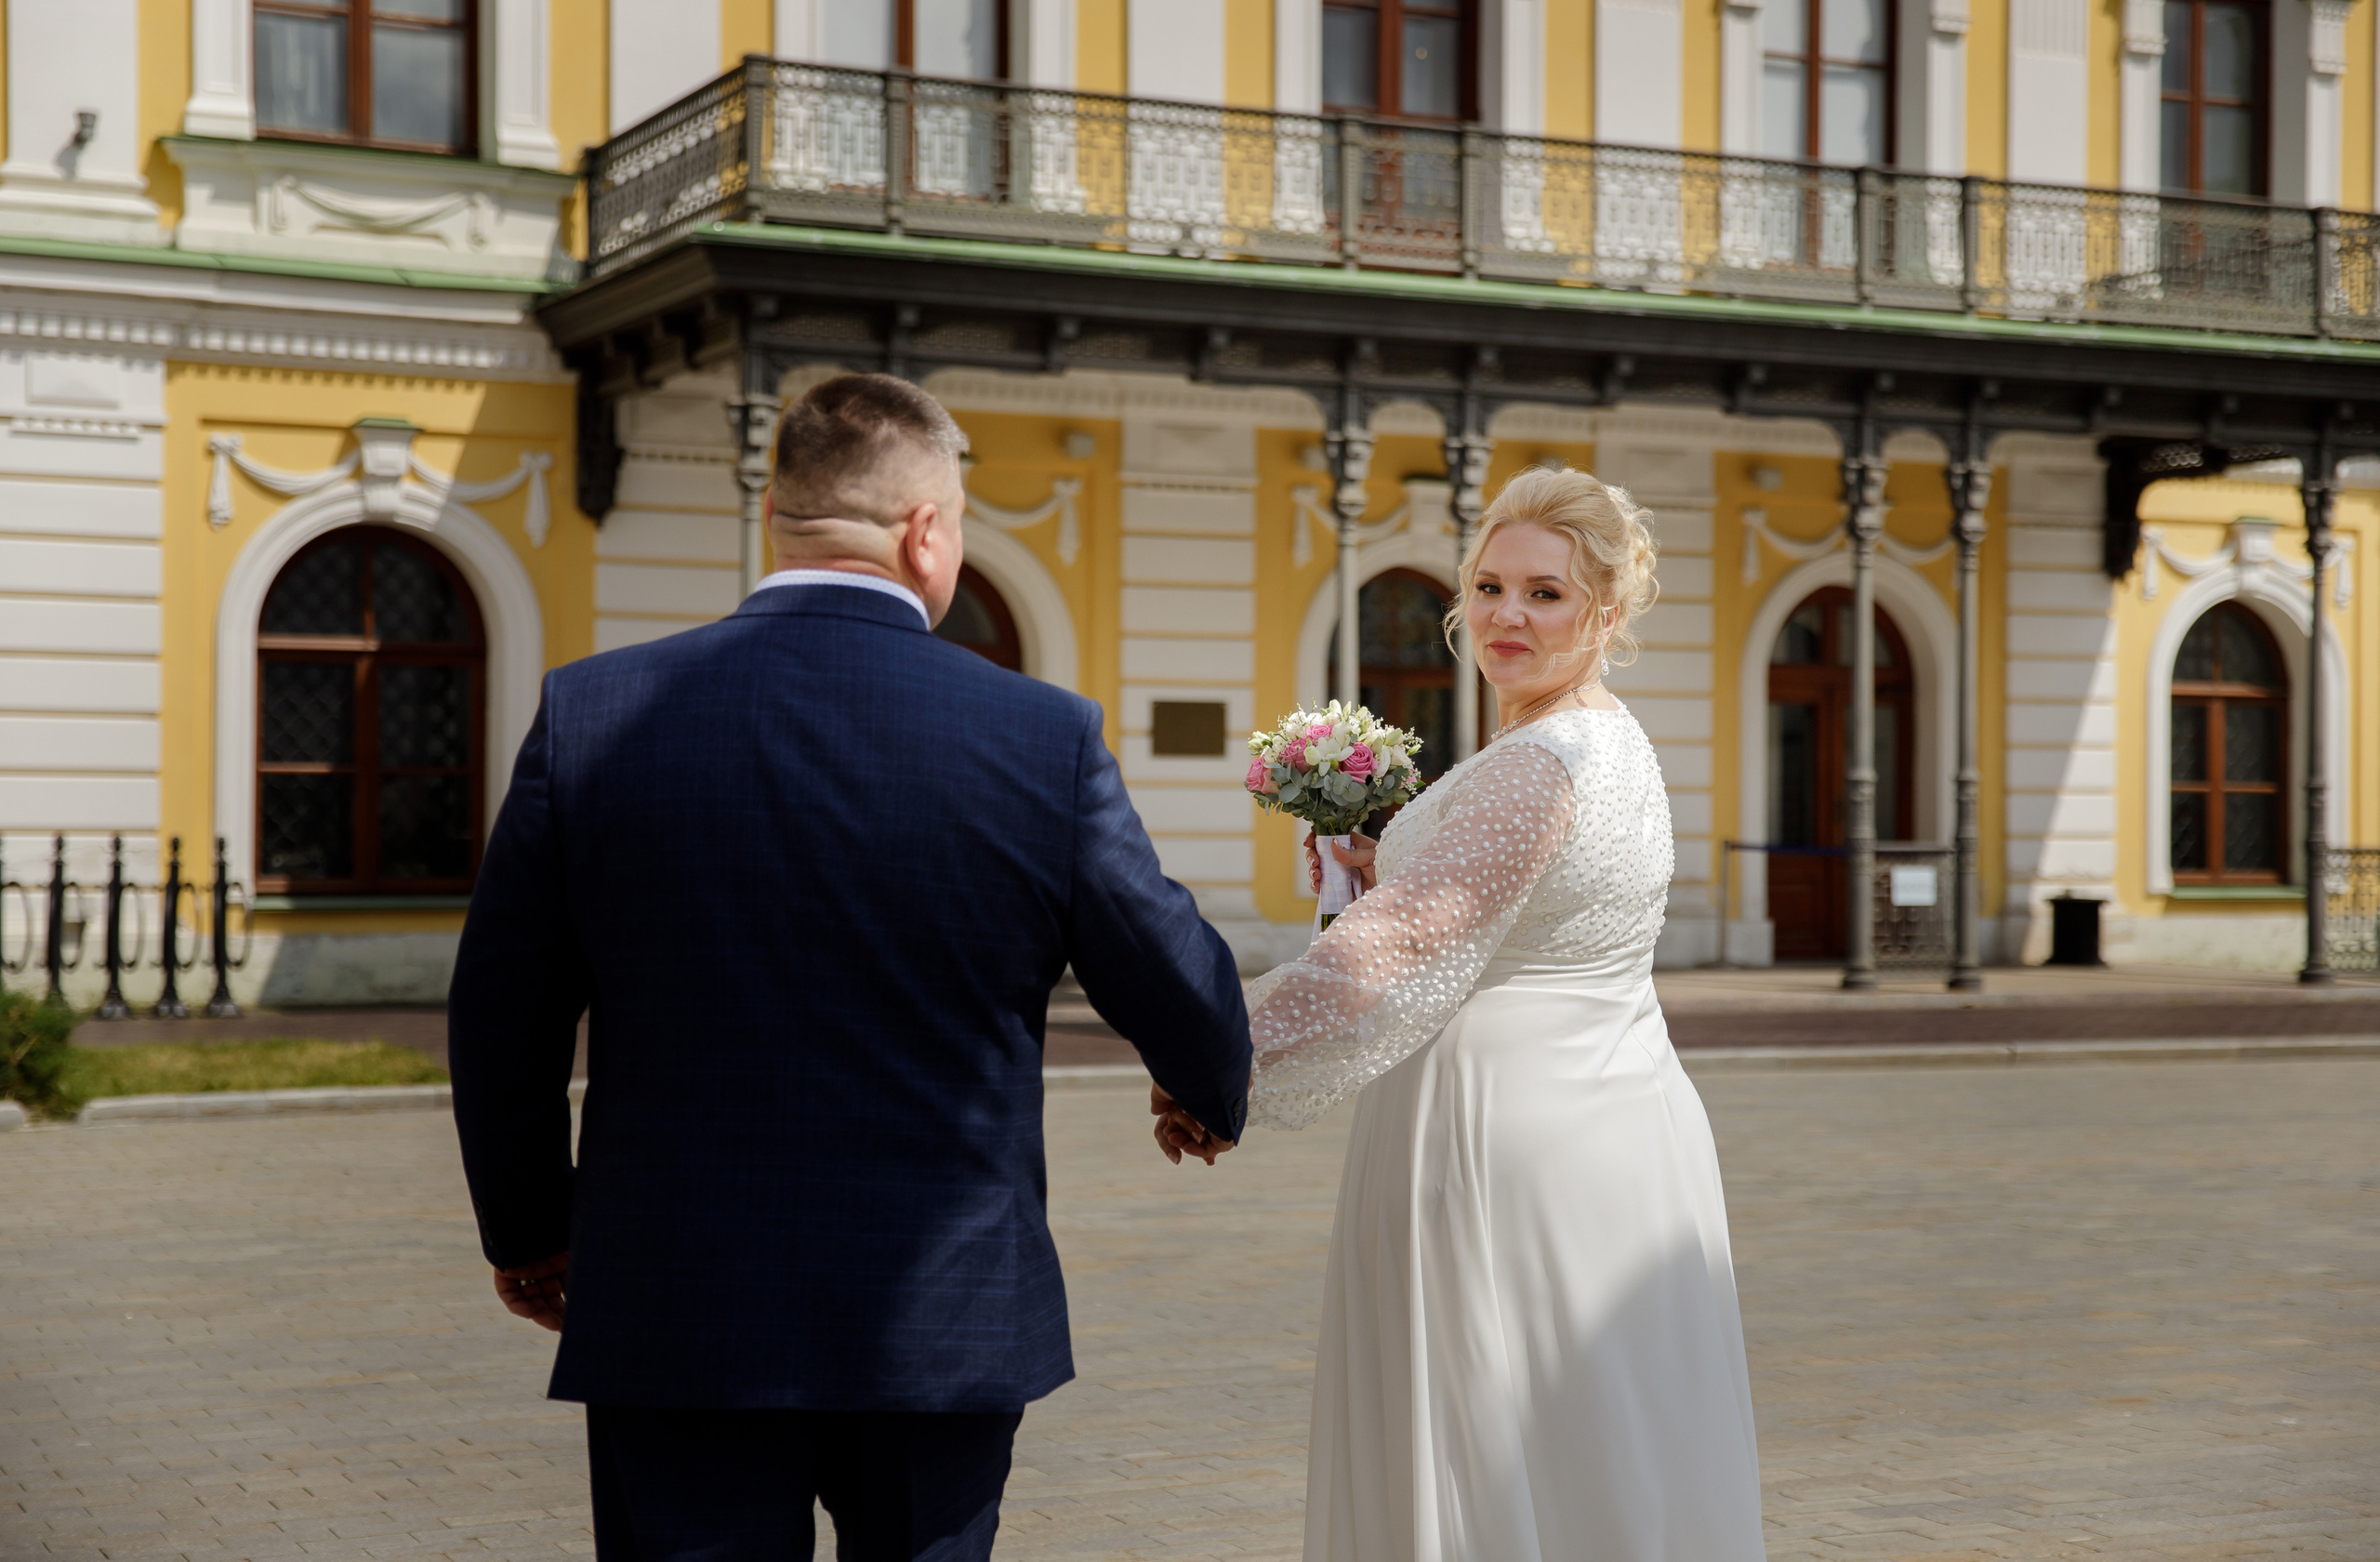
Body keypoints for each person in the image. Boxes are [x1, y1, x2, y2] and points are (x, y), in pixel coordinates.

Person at [449, 373, 1252, 1561]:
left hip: (676, 1300)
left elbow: (501, 1013)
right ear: (926, 531)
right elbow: (1170, 972)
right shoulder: (1039, 737)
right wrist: (1206, 1086)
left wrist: (527, 1229)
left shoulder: (593, 714)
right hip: (940, 1313)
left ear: (777, 512)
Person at [1158, 468, 1766, 1559]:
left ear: (1606, 613)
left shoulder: (1538, 764)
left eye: (1545, 593)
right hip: (1618, 1125)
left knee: (1502, 1439)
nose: (1506, 616)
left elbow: (1398, 942)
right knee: (1601, 1445)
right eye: (1489, 587)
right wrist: (1378, 858)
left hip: (1509, 1149)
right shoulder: (1609, 737)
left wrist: (1214, 1055)